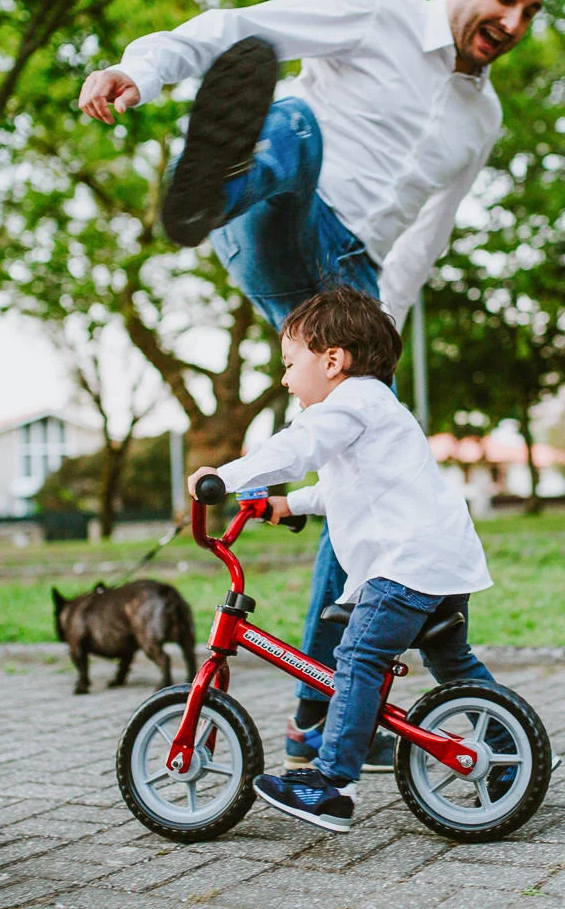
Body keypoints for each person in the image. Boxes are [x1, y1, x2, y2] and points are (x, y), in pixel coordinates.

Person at [80, 0, 552, 773]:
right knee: (294, 122)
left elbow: (427, 237)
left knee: (366, 476)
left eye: (531, 11)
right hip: (281, 220)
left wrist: (382, 334)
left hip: (352, 285)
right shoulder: (373, 12)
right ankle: (221, 179)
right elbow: (239, 28)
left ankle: (322, 709)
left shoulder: (483, 118)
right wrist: (140, 70)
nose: (513, 22)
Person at [186, 288, 501, 832]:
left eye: (290, 364)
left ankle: (331, 784)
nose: (285, 379)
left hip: (406, 567)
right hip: (441, 562)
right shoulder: (375, 408)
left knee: (356, 656)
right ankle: (508, 754)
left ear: (333, 360)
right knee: (453, 664)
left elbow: (295, 449)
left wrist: (225, 477)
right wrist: (289, 503)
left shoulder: (349, 402)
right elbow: (344, 486)